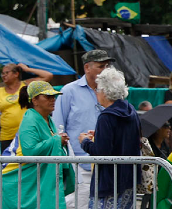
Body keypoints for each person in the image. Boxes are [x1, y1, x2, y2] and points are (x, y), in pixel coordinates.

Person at [56, 49, 111, 209]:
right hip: (80, 164)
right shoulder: (68, 91)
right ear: (87, 68)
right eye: (101, 66)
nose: (105, 70)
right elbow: (59, 127)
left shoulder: (111, 92)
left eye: (107, 66)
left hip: (107, 163)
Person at [79, 68, 142, 209]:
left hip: (109, 182)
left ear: (104, 92)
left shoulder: (106, 117)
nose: (96, 93)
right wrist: (99, 134)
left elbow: (101, 152)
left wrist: (85, 142)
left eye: (97, 90)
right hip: (129, 179)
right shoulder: (130, 110)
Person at [5, 81, 73, 209]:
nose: (53, 100)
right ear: (35, 100)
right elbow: (30, 151)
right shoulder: (30, 119)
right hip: (15, 177)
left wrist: (58, 140)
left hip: (31, 178)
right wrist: (57, 140)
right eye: (48, 97)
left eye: (54, 96)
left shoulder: (47, 118)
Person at [1, 63, 33, 151]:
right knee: (8, 164)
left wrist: (27, 69)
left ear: (16, 74)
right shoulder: (0, 91)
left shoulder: (26, 85)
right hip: (7, 136)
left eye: (6, 73)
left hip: (27, 132)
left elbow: (48, 76)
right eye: (2, 73)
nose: (3, 76)